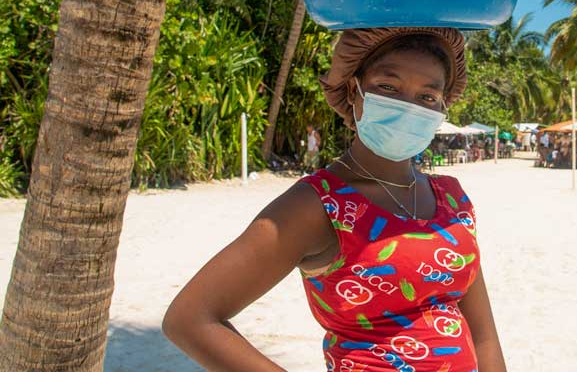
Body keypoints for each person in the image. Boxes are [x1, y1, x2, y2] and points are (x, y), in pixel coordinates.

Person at [163, 28, 505, 372]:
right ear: (353, 90)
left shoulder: (451, 198)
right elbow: (191, 319)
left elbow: (484, 335)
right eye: (388, 87)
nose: (407, 107)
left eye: (427, 97)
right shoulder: (317, 205)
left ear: (443, 106)